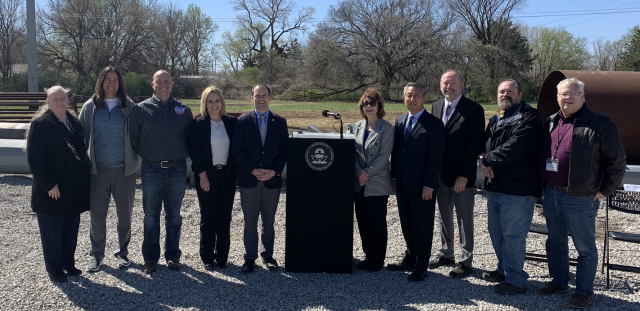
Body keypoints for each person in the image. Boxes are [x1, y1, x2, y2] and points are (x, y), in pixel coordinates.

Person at [537, 78, 626, 309]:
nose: (567, 98)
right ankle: (559, 281)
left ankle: (584, 291)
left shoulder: (601, 123)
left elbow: (617, 162)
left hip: (581, 197)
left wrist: (605, 190)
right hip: (552, 193)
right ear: (557, 97)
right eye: (563, 94)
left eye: (573, 94)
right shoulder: (551, 121)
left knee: (584, 247)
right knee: (555, 242)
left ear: (583, 96)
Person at [480, 79, 543, 295]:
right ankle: (503, 269)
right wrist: (482, 158)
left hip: (518, 189)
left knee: (513, 235)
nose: (505, 94)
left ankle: (516, 280)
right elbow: (485, 144)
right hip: (495, 186)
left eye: (510, 91)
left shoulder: (529, 117)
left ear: (520, 94)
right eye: (501, 91)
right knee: (496, 232)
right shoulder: (498, 117)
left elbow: (515, 147)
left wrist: (487, 160)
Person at [129, 70, 192, 274]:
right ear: (152, 84)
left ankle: (173, 256)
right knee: (150, 216)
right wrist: (150, 154)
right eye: (159, 81)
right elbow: (134, 140)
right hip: (151, 169)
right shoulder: (140, 110)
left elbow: (190, 139)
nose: (163, 85)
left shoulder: (184, 110)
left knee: (174, 216)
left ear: (172, 84)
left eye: (167, 81)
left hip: (177, 170)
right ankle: (150, 258)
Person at [26, 86, 90, 283]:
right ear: (48, 102)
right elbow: (35, 159)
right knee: (52, 231)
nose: (60, 102)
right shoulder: (40, 124)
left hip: (72, 186)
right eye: (55, 99)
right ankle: (54, 268)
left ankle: (68, 264)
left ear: (68, 100)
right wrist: (49, 185)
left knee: (70, 229)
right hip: (52, 188)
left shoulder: (75, 122)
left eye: (63, 98)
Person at [78, 66, 138, 272]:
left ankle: (122, 254)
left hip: (124, 170)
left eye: (115, 80)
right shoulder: (90, 106)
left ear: (120, 83)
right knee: (97, 216)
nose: (111, 84)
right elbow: (81, 136)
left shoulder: (129, 106)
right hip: (98, 171)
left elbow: (139, 134)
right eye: (107, 79)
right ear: (101, 82)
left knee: (125, 215)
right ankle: (96, 255)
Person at [429, 70, 485, 278]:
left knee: (464, 218)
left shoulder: (473, 109)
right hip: (440, 176)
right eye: (445, 83)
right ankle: (446, 253)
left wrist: (465, 175)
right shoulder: (435, 107)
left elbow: (473, 146)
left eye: (453, 83)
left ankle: (465, 260)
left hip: (461, 177)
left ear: (462, 85)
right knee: (444, 217)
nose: (448, 87)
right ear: (440, 85)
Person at [388, 82, 445, 282]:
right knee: (407, 224)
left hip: (423, 187)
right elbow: (396, 153)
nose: (412, 99)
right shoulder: (400, 120)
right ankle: (410, 258)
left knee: (422, 226)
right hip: (402, 184)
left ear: (425, 98)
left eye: (416, 95)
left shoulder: (434, 123)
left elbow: (436, 157)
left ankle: (421, 266)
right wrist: (394, 177)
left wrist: (430, 184)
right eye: (408, 96)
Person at [232, 84, 288, 274]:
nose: (261, 99)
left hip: (271, 179)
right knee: (249, 221)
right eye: (257, 96)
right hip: (250, 180)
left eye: (264, 96)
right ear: (252, 98)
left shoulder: (279, 122)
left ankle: (268, 255)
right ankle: (249, 257)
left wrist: (275, 171)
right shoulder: (242, 121)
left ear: (270, 98)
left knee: (269, 221)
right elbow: (237, 150)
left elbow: (284, 151)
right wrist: (252, 170)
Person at [188, 86, 238, 271]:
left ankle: (222, 257)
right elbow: (196, 152)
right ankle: (207, 256)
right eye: (210, 101)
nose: (214, 104)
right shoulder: (199, 123)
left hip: (228, 176)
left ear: (222, 102)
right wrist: (202, 176)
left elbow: (237, 149)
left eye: (217, 100)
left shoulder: (232, 122)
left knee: (225, 218)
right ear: (205, 103)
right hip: (207, 176)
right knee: (208, 218)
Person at [353, 88, 394, 272]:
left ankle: (378, 260)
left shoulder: (386, 128)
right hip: (359, 184)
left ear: (379, 105)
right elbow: (352, 154)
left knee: (377, 223)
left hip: (377, 184)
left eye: (372, 103)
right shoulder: (357, 127)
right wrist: (358, 172)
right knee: (363, 222)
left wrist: (366, 173)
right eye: (365, 103)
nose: (368, 107)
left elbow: (384, 156)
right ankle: (368, 256)